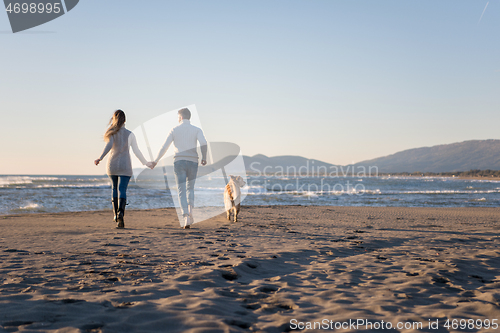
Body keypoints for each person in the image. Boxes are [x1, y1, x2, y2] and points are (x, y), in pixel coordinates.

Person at [150, 108, 207, 229]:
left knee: (181, 190)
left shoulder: (174, 130)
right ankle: (190, 212)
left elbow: (164, 147)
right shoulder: (197, 129)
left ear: (180, 117)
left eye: (178, 117)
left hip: (179, 162)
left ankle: (186, 216)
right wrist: (204, 157)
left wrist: (156, 161)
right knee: (190, 188)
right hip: (193, 161)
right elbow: (203, 143)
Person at [94, 110, 152, 228]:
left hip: (112, 165)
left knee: (114, 188)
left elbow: (109, 145)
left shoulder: (111, 133)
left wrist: (100, 158)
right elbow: (136, 151)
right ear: (125, 120)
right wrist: (145, 163)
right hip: (125, 165)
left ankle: (116, 215)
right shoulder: (130, 134)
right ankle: (121, 213)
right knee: (122, 189)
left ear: (114, 120)